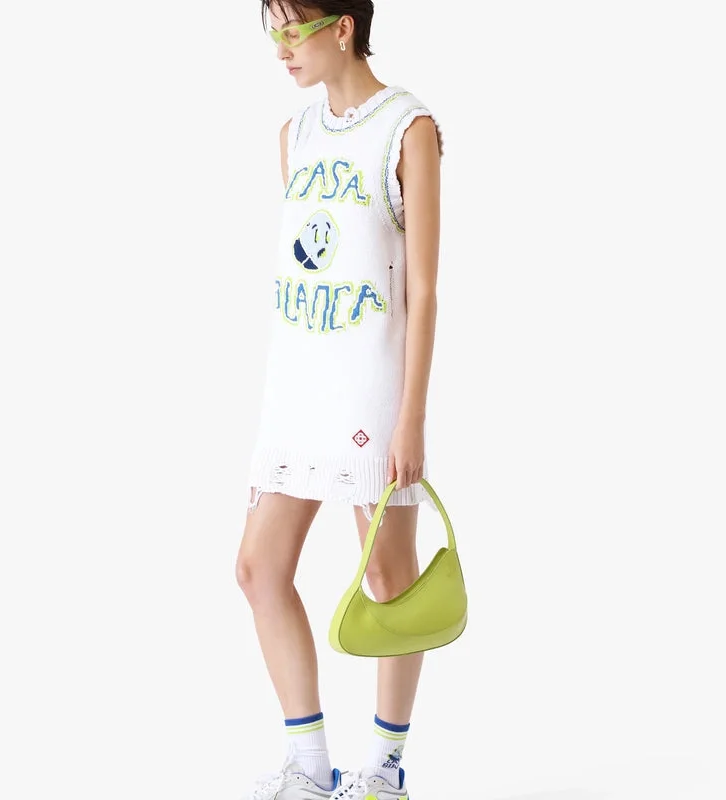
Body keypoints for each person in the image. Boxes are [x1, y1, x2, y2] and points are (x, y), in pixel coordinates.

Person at [236, 2, 443, 798]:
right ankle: (311, 764)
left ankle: (385, 770)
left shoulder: (407, 128)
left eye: (293, 30)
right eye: (272, 32)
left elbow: (421, 292)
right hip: (297, 388)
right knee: (258, 568)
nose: (280, 49)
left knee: (389, 583)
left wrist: (410, 418)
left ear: (343, 28)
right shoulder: (294, 136)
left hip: (370, 391)